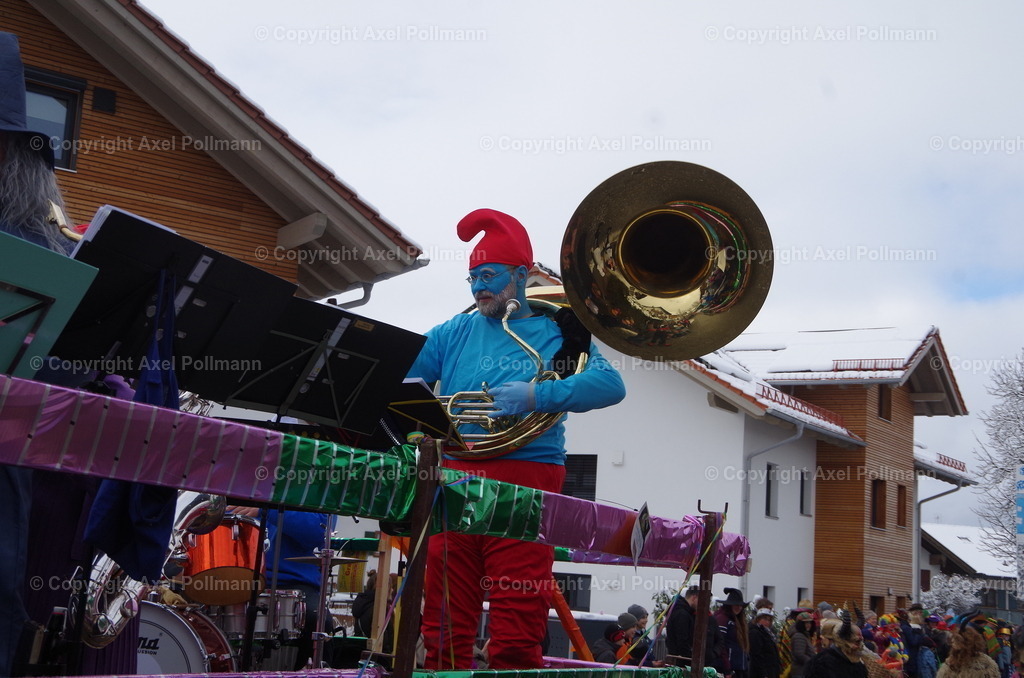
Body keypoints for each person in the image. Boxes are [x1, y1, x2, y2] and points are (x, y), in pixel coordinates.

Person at [410, 209, 626, 670]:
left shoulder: (563, 330)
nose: (478, 288)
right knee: (444, 613)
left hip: (528, 472)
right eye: (471, 278)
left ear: (522, 274)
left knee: (517, 611)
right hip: (455, 472)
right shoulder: (453, 331)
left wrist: (536, 394)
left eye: (488, 275)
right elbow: (401, 380)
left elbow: (611, 386)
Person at [231, 507, 333, 670]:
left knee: (319, 621)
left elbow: (318, 530)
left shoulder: (315, 486)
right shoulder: (235, 483)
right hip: (235, 577)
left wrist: (267, 510)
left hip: (292, 581)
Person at [666, 585, 725, 671]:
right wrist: (693, 661)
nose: (704, 605)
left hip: (682, 662)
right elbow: (683, 641)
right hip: (683, 664)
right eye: (703, 601)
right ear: (694, 598)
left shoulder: (682, 611)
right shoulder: (683, 614)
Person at [804, 613, 868, 678]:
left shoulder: (857, 663)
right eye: (855, 642)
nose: (858, 647)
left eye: (859, 642)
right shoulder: (821, 662)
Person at [716, 587, 751, 676]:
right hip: (728, 668)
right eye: (736, 605)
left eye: (740, 605)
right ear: (729, 605)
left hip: (739, 668)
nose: (739, 607)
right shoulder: (722, 619)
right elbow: (721, 645)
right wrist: (727, 668)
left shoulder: (739, 621)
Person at [748, 608, 780, 678]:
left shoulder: (769, 633)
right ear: (758, 619)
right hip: (761, 673)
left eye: (769, 620)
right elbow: (757, 655)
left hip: (771, 671)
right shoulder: (755, 632)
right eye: (765, 619)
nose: (767, 622)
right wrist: (763, 674)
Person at [789, 611, 817, 677]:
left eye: (810, 622)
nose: (809, 625)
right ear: (800, 624)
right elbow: (799, 654)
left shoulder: (804, 635)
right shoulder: (799, 636)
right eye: (806, 622)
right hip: (800, 672)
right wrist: (812, 662)